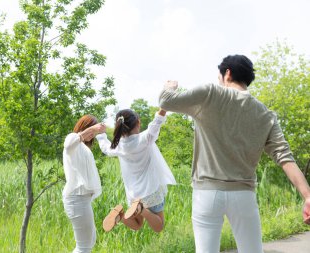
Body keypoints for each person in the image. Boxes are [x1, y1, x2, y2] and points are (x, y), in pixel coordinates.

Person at [159, 54, 310, 253]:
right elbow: (284, 157)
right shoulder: (265, 114)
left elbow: (165, 101)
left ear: (227, 73)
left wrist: (170, 86)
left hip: (207, 193)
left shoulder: (210, 93)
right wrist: (307, 196)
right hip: (243, 194)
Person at [95, 108, 176, 233]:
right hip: (151, 191)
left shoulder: (118, 146)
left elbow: (105, 148)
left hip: (134, 194)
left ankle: (120, 216)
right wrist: (165, 104)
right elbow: (157, 122)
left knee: (137, 225)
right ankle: (141, 209)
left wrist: (101, 134)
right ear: (138, 123)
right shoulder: (145, 138)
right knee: (159, 227)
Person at [62, 115, 106, 253]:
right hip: (76, 199)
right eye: (90, 131)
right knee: (84, 247)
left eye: (94, 133)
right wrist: (93, 128)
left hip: (82, 200)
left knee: (89, 242)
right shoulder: (72, 138)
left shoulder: (83, 147)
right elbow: (69, 145)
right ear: (84, 128)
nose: (92, 135)